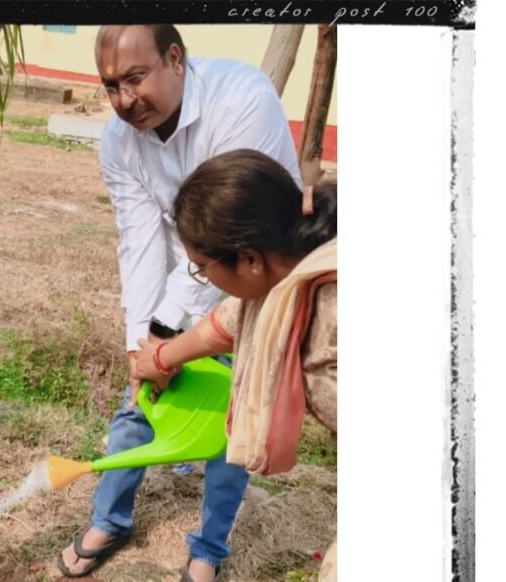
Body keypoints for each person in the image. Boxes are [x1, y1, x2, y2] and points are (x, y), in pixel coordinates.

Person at [57, 25, 301, 582]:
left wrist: (167, 338)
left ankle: (209, 550)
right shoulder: (119, 142)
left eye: (135, 78)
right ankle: (110, 518)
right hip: (186, 272)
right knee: (137, 400)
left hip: (254, 274)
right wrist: (142, 342)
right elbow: (139, 243)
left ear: (174, 58)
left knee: (233, 423)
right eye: (110, 85)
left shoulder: (241, 100)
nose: (124, 100)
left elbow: (229, 233)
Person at [133, 149, 337, 581]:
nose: (204, 280)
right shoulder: (283, 271)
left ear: (248, 259)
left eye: (202, 269)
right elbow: (225, 325)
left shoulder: (334, 315)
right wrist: (159, 358)